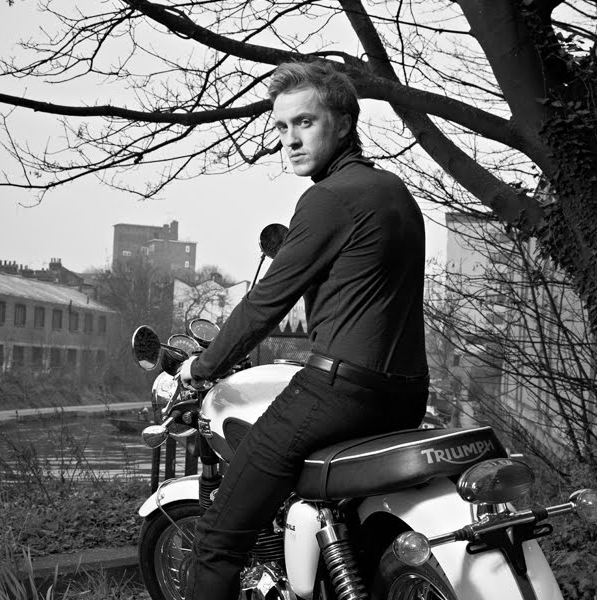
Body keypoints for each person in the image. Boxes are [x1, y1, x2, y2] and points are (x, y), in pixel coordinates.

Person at [178, 60, 429, 600]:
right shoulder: (394, 192)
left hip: (339, 394)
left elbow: (265, 302)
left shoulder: (330, 198)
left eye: (304, 122)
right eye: (281, 126)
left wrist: (201, 366)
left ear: (344, 123)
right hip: (405, 396)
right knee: (352, 537)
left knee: (217, 539)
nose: (289, 140)